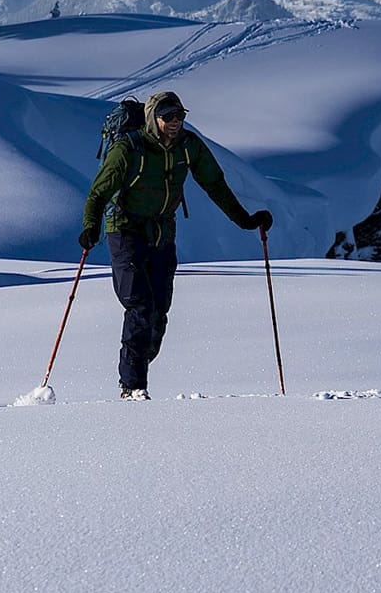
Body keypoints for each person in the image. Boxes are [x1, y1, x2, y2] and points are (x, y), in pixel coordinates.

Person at [80, 91, 273, 399]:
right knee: (139, 306)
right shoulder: (129, 148)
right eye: (168, 116)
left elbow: (215, 185)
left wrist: (245, 221)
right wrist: (90, 227)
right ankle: (132, 386)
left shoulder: (188, 146)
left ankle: (137, 364)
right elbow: (98, 194)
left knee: (158, 313)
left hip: (162, 233)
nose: (175, 122)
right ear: (153, 118)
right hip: (125, 230)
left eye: (179, 116)